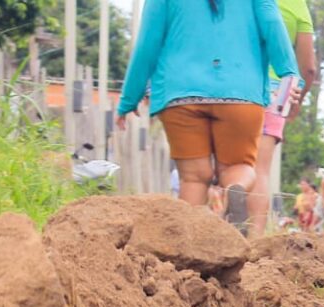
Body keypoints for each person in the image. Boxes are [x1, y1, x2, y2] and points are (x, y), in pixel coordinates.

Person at [116, 0, 298, 227]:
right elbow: (273, 25)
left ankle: (187, 248)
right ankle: (235, 190)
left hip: (180, 94)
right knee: (238, 167)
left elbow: (147, 43)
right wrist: (288, 79)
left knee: (193, 177)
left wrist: (129, 99)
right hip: (241, 92)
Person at [248, 0, 318, 236]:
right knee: (260, 170)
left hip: (235, 84)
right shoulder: (298, 7)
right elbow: (308, 68)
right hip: (277, 92)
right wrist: (296, 102)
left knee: (230, 164)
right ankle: (254, 241)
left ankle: (219, 231)